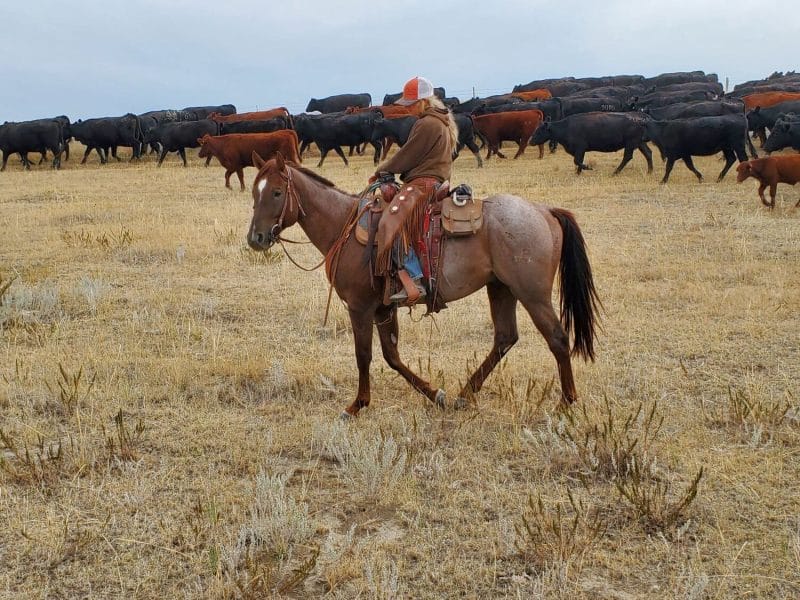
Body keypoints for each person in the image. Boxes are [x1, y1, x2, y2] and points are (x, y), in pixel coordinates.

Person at [370, 76, 459, 304]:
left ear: (423, 102)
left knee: (391, 222)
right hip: (435, 183)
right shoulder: (442, 121)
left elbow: (407, 154)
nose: (408, 108)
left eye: (411, 103)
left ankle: (414, 277)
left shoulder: (427, 123)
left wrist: (382, 170)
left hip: (422, 185)